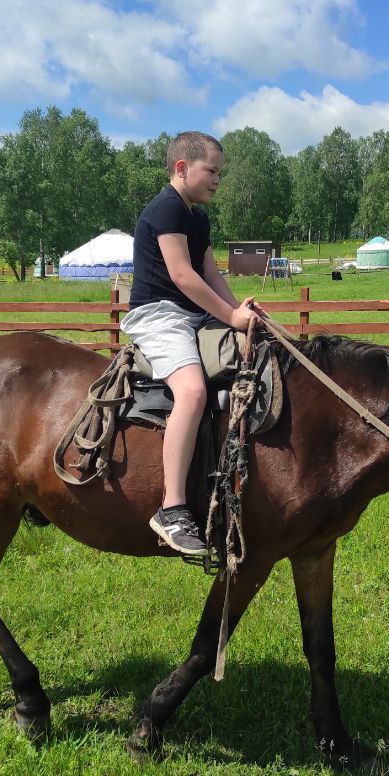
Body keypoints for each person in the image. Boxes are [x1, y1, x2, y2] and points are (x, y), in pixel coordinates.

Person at [120, 131, 259, 557]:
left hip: (193, 313)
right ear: (183, 168)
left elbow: (210, 273)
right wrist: (230, 316)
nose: (218, 180)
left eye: (220, 172)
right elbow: (182, 275)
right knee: (193, 390)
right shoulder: (165, 209)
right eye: (211, 171)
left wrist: (240, 316)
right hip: (159, 314)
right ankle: (172, 508)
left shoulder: (198, 217)